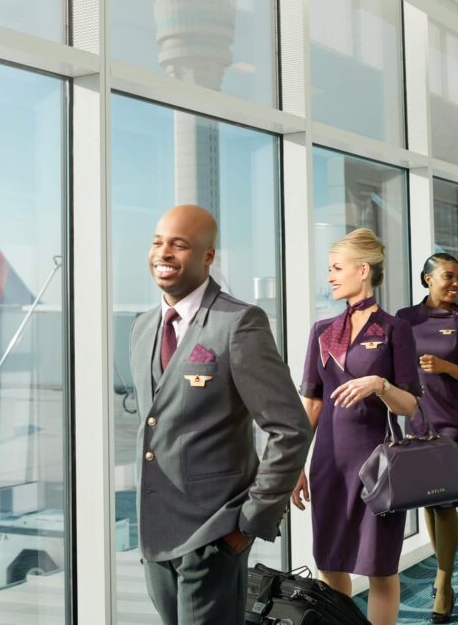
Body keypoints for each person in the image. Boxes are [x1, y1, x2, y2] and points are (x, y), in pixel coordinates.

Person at [130, 205, 311, 625]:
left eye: (180, 244)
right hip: (154, 536)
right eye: (158, 242)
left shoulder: (238, 322)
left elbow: (290, 429)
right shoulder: (141, 328)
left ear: (208, 256)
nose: (164, 253)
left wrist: (248, 522)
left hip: (214, 534)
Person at [291, 228, 420, 625]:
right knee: (331, 562)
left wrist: (379, 385)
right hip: (328, 462)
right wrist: (294, 462)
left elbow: (411, 405)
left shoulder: (395, 329)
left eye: (336, 268)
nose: (330, 276)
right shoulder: (322, 332)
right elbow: (311, 404)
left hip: (377, 465)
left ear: (362, 270)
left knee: (380, 567)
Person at [396, 253, 458, 623]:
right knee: (427, 502)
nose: (456, 283)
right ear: (427, 280)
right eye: (448, 276)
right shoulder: (405, 319)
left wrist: (447, 366)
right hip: (417, 421)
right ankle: (443, 571)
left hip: (454, 421)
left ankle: (444, 582)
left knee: (445, 502)